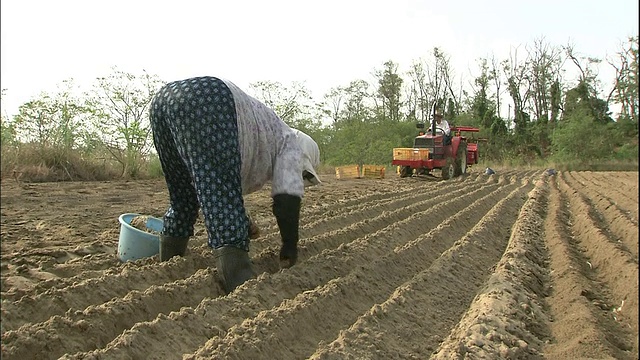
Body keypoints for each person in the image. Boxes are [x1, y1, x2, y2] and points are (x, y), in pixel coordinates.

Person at [149, 76, 322, 293]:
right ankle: (239, 281)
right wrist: (289, 245)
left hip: (163, 101)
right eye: (304, 175)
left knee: (183, 195)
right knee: (221, 200)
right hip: (211, 98)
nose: (301, 179)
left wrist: (243, 219)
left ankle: (169, 266)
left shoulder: (264, 134)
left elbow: (209, 184)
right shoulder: (290, 143)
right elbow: (286, 201)